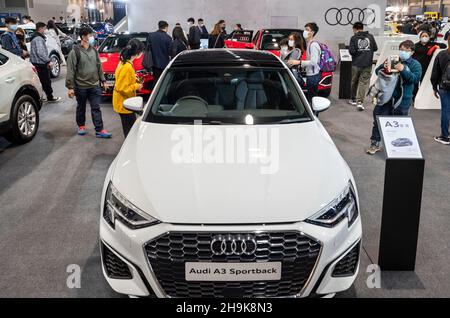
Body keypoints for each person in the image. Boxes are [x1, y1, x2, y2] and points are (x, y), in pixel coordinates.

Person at [367, 40, 422, 155]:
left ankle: (398, 147)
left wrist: (403, 70)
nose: (403, 52)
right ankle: (375, 143)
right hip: (386, 97)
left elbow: (414, 79)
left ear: (412, 52)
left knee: (400, 123)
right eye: (402, 50)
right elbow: (377, 71)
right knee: (378, 120)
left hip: (403, 100)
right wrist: (385, 68)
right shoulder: (393, 59)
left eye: (407, 51)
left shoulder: (415, 64)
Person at [66, 27, 111, 138]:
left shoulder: (94, 50)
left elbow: (99, 66)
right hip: (81, 86)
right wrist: (70, 87)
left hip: (94, 85)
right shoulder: (75, 52)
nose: (92, 37)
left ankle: (99, 130)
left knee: (96, 107)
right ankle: (81, 126)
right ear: (83, 37)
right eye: (90, 35)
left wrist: (103, 80)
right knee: (81, 107)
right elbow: (71, 70)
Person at [113, 39, 145, 137]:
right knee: (130, 132)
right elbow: (122, 88)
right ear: (137, 52)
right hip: (125, 104)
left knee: (129, 128)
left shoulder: (124, 61)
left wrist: (133, 77)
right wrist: (137, 86)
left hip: (124, 102)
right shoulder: (127, 67)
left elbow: (122, 79)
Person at [288, 22, 321, 103]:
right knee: (310, 98)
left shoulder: (313, 45)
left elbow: (314, 62)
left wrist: (299, 62)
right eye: (305, 29)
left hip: (313, 76)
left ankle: (314, 114)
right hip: (311, 74)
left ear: (312, 33)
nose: (305, 31)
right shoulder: (309, 43)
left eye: (307, 30)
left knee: (312, 99)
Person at [349, 22, 378, 111]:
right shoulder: (370, 36)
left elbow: (352, 52)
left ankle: (353, 98)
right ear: (362, 27)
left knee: (354, 81)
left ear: (354, 29)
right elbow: (375, 48)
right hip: (367, 64)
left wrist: (359, 52)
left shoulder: (353, 38)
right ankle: (360, 102)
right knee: (363, 82)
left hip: (356, 64)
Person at [30, 22, 61, 103]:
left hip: (36, 63)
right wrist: (48, 61)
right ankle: (50, 97)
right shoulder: (39, 38)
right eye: (44, 28)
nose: (45, 30)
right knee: (46, 81)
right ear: (40, 28)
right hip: (41, 63)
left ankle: (41, 97)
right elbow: (40, 52)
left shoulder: (35, 37)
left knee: (41, 81)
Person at [430, 37, 450, 145]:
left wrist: (434, 87)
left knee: (446, 112)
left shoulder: (442, 54)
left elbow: (435, 73)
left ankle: (445, 136)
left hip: (445, 87)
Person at [144, 21, 172, 85]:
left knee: (156, 82)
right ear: (166, 27)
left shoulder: (151, 36)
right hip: (165, 64)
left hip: (154, 64)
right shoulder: (168, 37)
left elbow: (148, 49)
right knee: (164, 82)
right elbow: (170, 52)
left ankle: (155, 94)